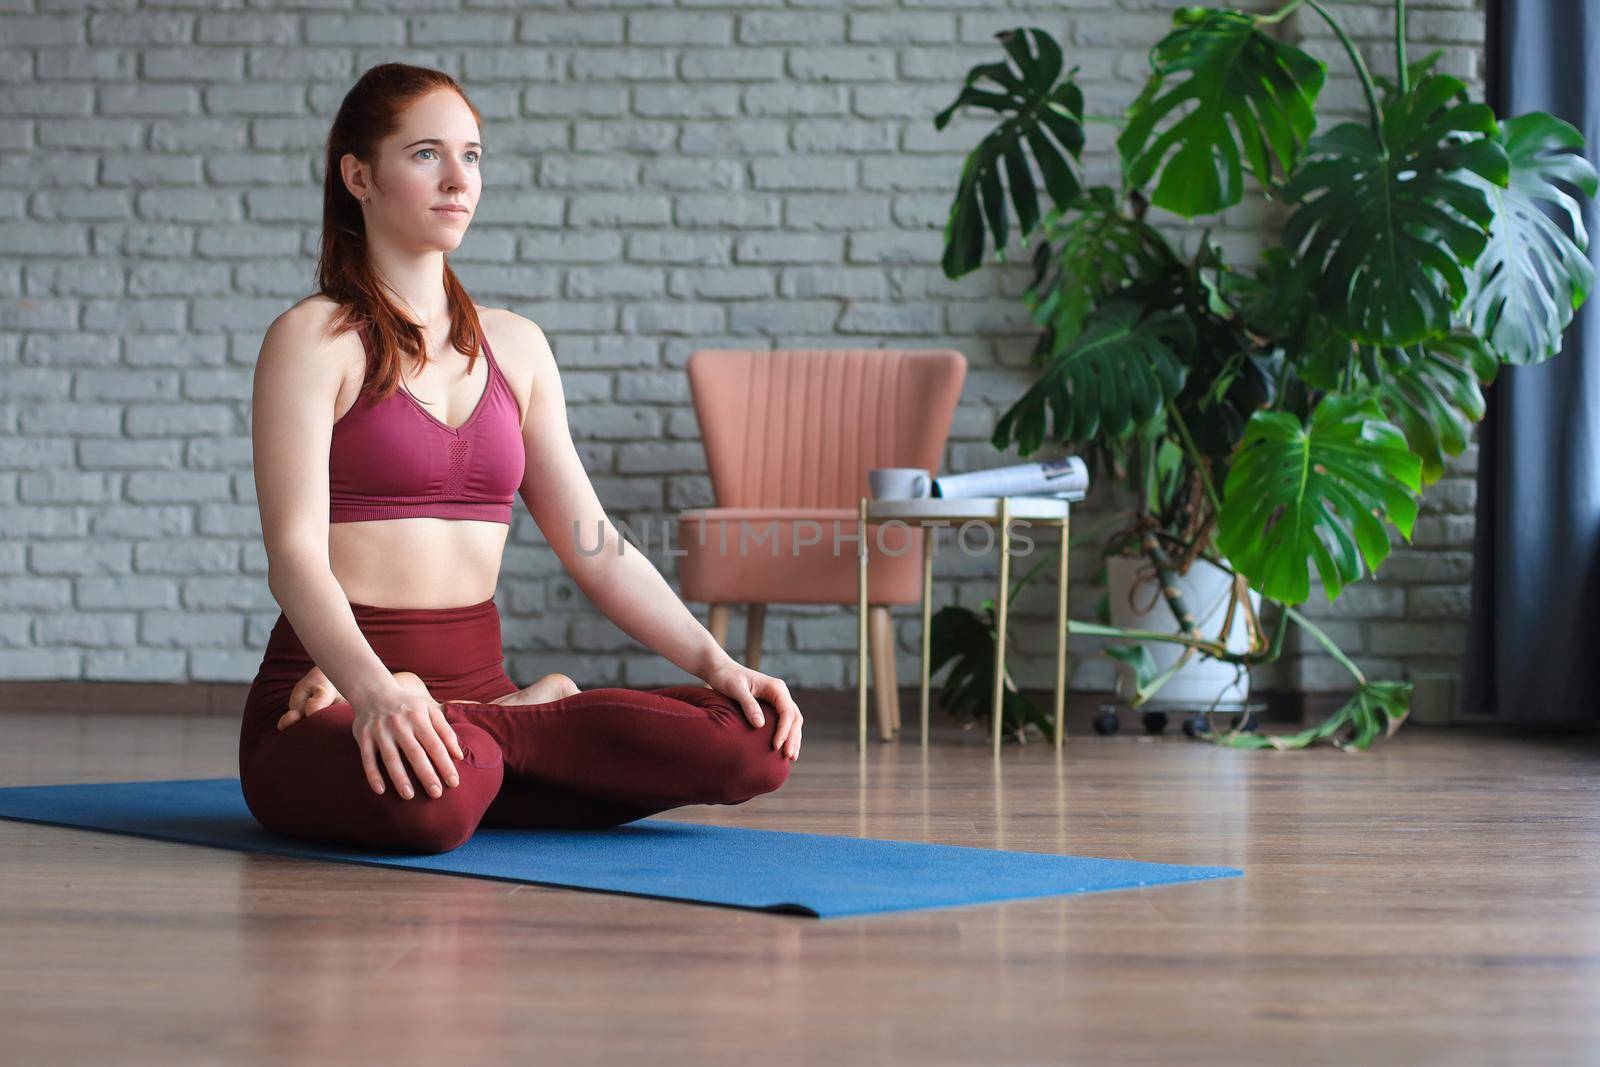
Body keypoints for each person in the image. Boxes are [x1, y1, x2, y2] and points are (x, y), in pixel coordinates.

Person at [239, 63, 800, 855]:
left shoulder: (518, 347)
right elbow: (294, 553)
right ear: (358, 175)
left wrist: (718, 662)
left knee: (751, 741)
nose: (457, 179)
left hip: (479, 693)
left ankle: (502, 724)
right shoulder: (311, 339)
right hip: (331, 693)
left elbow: (595, 544)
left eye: (472, 156)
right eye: (427, 153)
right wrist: (369, 686)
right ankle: (519, 728)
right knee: (435, 806)